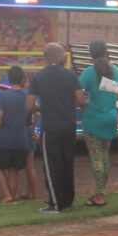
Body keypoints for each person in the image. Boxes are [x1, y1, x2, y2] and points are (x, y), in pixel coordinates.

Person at [28, 43, 85, 213]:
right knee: (67, 163)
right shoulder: (70, 75)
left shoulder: (38, 77)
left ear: (46, 57)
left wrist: (42, 107)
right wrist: (68, 105)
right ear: (58, 56)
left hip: (50, 127)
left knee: (52, 165)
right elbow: (81, 101)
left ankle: (55, 203)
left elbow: (29, 105)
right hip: (69, 126)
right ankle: (67, 201)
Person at [79, 40, 118, 207]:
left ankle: (99, 195)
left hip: (93, 118)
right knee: (105, 157)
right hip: (111, 117)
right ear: (106, 51)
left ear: (90, 53)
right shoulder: (115, 71)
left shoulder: (89, 72)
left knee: (97, 158)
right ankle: (100, 191)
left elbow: (78, 92)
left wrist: (82, 105)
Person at [0, 65, 32, 203]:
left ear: (9, 79)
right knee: (14, 169)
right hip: (21, 138)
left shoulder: (2, 95)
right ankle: (13, 194)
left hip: (4, 138)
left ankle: (6, 194)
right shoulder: (27, 95)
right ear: (22, 79)